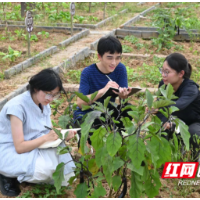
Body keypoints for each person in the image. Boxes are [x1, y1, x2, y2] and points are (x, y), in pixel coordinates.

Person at [0, 69, 77, 197]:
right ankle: (6, 174)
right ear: (36, 88)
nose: (51, 99)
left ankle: (21, 174)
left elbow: (48, 131)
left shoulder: (43, 103)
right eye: (48, 94)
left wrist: (62, 136)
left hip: (34, 145)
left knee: (65, 167)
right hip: (10, 150)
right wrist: (46, 138)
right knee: (46, 171)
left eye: (55, 95)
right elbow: (19, 147)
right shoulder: (17, 107)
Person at [73, 35, 133, 144]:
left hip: (107, 111)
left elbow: (123, 100)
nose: (114, 62)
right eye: (109, 57)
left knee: (128, 109)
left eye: (118, 57)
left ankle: (118, 141)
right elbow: (80, 103)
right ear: (99, 57)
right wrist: (102, 91)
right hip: (89, 113)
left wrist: (123, 96)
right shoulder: (88, 72)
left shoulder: (120, 69)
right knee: (92, 130)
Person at [156, 52, 200, 161]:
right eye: (162, 71)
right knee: (162, 128)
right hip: (178, 122)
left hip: (195, 122)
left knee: (193, 132)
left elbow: (178, 105)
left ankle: (196, 160)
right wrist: (164, 121)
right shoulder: (163, 85)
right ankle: (163, 159)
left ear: (181, 74)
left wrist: (158, 106)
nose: (163, 75)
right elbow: (162, 111)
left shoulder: (190, 88)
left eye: (167, 72)